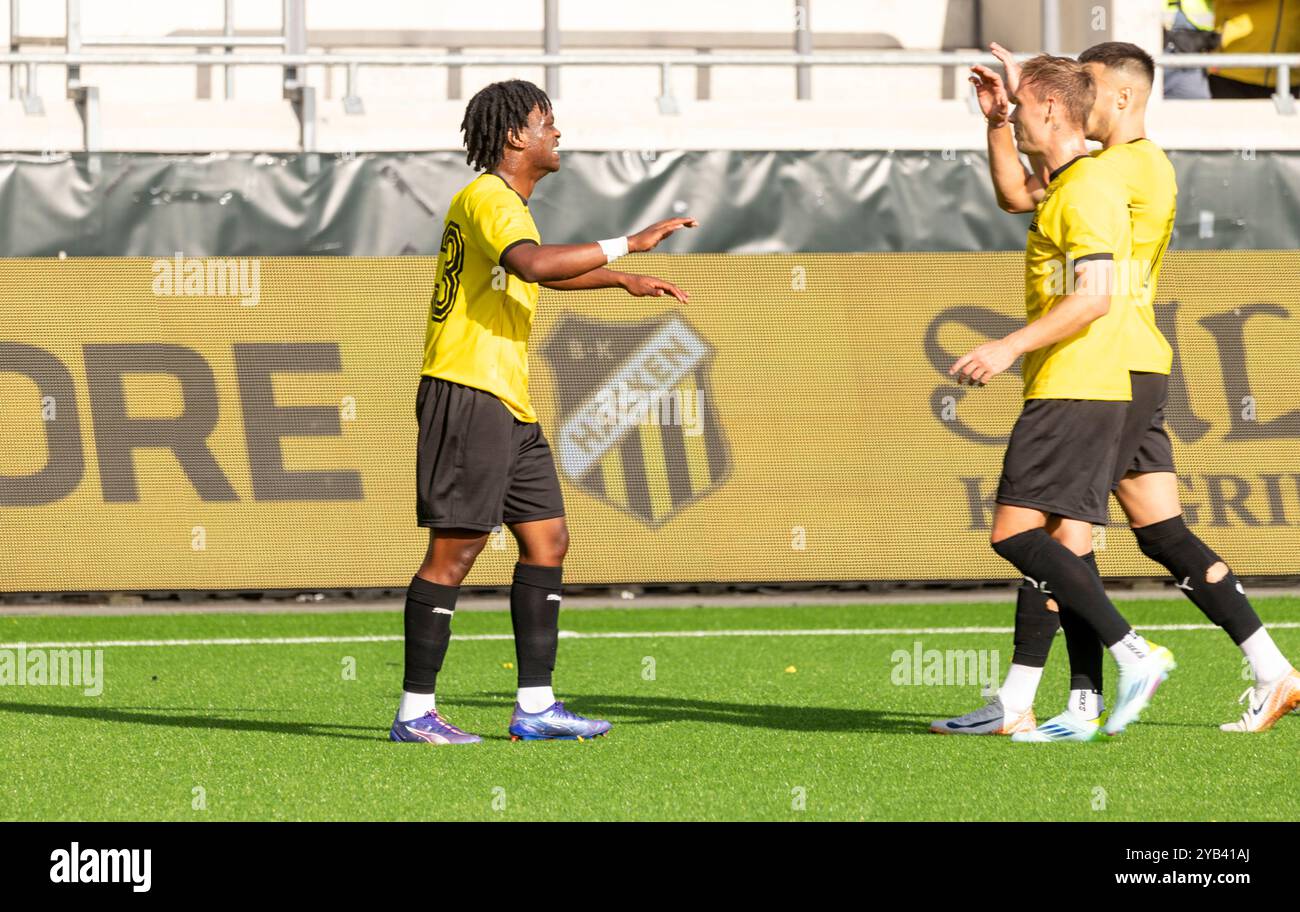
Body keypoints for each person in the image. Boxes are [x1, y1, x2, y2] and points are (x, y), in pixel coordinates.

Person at [937, 43, 1300, 741]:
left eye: (1090, 88)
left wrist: (1038, 102)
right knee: (1157, 532)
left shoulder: (1121, 170)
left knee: (1055, 531)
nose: (1081, 98)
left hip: (1108, 365)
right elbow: (1019, 195)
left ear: (1123, 99)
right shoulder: (1106, 169)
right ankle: (1269, 667)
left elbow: (1079, 261)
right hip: (1127, 364)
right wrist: (1005, 118)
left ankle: (1070, 692)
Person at [391, 79, 697, 745]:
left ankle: (536, 706)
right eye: (545, 121)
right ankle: (415, 713)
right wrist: (627, 247)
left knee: (547, 539)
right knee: (457, 549)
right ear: (513, 137)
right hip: (467, 390)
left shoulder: (506, 205)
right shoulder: (488, 197)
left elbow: (541, 268)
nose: (556, 132)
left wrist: (619, 280)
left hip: (506, 399)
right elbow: (530, 265)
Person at [937, 55, 1176, 740]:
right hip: (1075, 384)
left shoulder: (1090, 187)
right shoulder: (1071, 182)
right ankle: (1048, 702)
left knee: (1015, 533)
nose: (1015, 109)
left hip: (1080, 384)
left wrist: (1007, 345)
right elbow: (1016, 195)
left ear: (1047, 109)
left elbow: (1095, 296)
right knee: (1062, 539)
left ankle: (1136, 653)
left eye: (1021, 102)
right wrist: (997, 124)